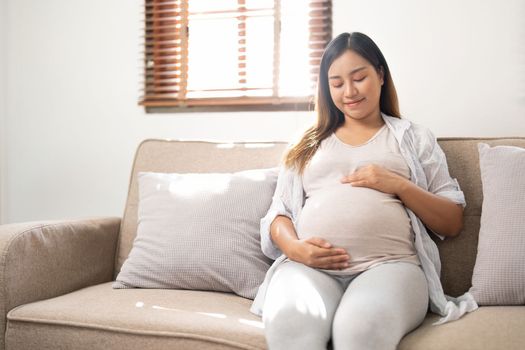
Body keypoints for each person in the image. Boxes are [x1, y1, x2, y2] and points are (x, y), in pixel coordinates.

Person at [250, 32, 478, 350]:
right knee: (290, 321)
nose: (350, 91)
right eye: (337, 83)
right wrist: (295, 249)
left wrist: (398, 184)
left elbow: (452, 220)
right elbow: (280, 213)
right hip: (309, 268)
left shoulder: (413, 137)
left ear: (380, 75)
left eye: (359, 78)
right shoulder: (306, 143)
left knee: (360, 328)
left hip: (389, 266)